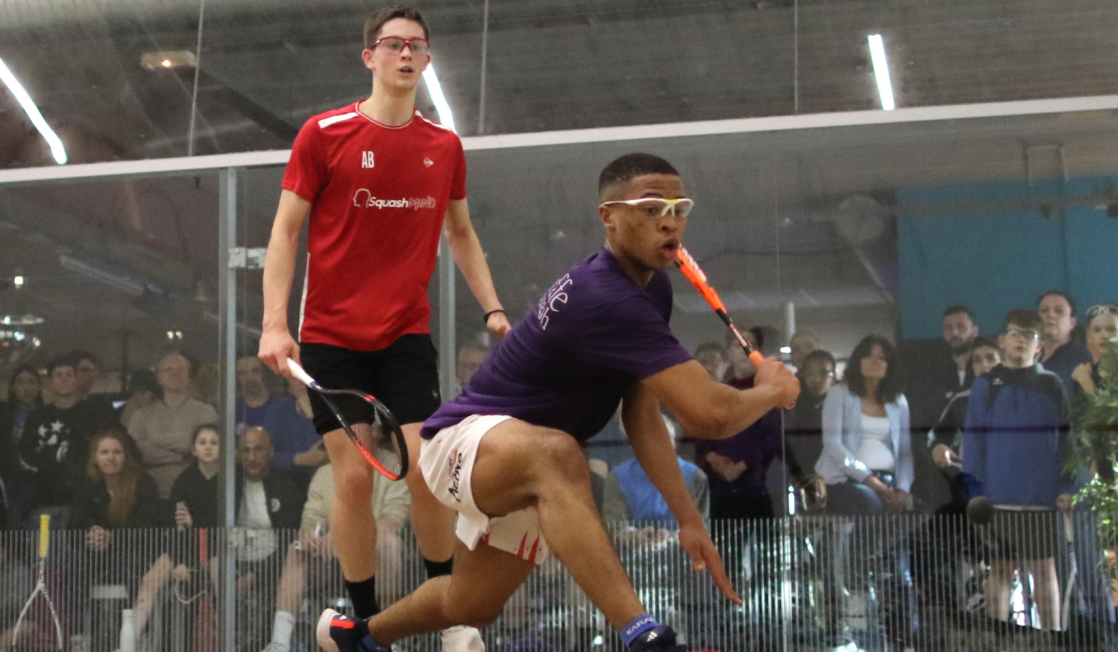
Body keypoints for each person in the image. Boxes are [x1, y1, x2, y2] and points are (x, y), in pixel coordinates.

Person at [313, 153, 800, 652]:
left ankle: (358, 636)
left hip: (527, 463)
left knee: (470, 604)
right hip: (464, 442)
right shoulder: (606, 296)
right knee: (561, 455)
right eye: (652, 207)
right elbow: (710, 414)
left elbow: (642, 415)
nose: (669, 221)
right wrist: (773, 391)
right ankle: (646, 637)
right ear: (609, 216)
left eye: (679, 208)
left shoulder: (651, 292)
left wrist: (689, 519)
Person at [256, 6, 512, 649]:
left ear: (427, 60)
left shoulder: (443, 147)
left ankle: (449, 611)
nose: (405, 54)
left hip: (404, 334)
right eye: (393, 44)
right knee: (353, 477)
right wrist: (273, 324)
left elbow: (461, 232)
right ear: (369, 56)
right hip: (330, 337)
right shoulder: (323, 134)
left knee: (424, 470)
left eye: (416, 46)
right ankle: (366, 622)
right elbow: (285, 232)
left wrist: (493, 308)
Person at [962, 309, 1074, 630]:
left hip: (1042, 498)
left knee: (1044, 571)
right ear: (1002, 341)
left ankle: (1052, 640)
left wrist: (1067, 488)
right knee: (999, 570)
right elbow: (973, 442)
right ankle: (997, 641)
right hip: (996, 499)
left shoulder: (1052, 385)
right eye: (1015, 333)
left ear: (1040, 345)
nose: (1021, 340)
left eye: (1029, 335)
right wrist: (975, 494)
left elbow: (1068, 443)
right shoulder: (985, 384)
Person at [263, 463, 412, 652]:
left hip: (375, 557)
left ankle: (388, 639)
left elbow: (394, 520)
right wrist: (309, 534)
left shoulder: (391, 472)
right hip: (330, 561)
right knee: (297, 550)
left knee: (388, 543)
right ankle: (279, 643)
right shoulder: (324, 473)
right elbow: (312, 517)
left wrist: (346, 537)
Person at [131, 424, 223, 637]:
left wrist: (196, 521)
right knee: (150, 580)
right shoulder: (184, 480)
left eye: (214, 443)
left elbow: (225, 521)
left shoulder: (231, 479)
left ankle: (229, 637)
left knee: (220, 577)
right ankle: (129, 641)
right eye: (202, 443)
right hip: (187, 546)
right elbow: (179, 527)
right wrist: (181, 561)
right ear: (193, 449)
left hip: (218, 547)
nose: (208, 447)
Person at [20, 355, 120, 514]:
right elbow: (25, 453)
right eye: (58, 375)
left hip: (85, 500)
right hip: (45, 498)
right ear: (50, 382)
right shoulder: (37, 416)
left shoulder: (94, 414)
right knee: (44, 532)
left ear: (76, 379)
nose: (64, 379)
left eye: (69, 374)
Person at [128, 348, 218, 497]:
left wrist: (153, 440)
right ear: (159, 378)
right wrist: (180, 456)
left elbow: (205, 447)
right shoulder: (140, 416)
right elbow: (135, 451)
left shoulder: (205, 412)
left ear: (189, 377)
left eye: (181, 369)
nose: (175, 373)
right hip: (152, 492)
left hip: (195, 490)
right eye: (168, 369)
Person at [236, 356, 326, 480]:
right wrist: (299, 459)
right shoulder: (279, 409)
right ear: (288, 383)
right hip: (286, 482)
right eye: (295, 376)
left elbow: (326, 455)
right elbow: (262, 454)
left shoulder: (334, 409)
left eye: (307, 375)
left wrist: (311, 416)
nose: (301, 381)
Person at [784, 349, 837, 486]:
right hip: (800, 474)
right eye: (810, 373)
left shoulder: (841, 404)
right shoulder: (792, 405)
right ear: (803, 375)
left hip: (836, 475)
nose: (817, 379)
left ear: (834, 377)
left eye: (824, 374)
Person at [0, 364, 40, 528]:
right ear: (13, 387)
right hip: (9, 481)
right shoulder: (3, 415)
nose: (26, 388)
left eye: (31, 382)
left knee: (40, 531)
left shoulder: (48, 414)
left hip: (40, 482)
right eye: (20, 382)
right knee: (12, 528)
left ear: (39, 387)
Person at [1037, 291, 1093, 389]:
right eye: (1044, 310)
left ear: (1072, 323)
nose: (1050, 315)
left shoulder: (1079, 356)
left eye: (1059, 311)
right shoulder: (1032, 354)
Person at [1071, 304, 1118, 397]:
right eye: (1097, 330)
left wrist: (1086, 383)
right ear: (1089, 335)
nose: (1104, 336)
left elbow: (1109, 406)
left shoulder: (1083, 377)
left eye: (1111, 329)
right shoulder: (1084, 374)